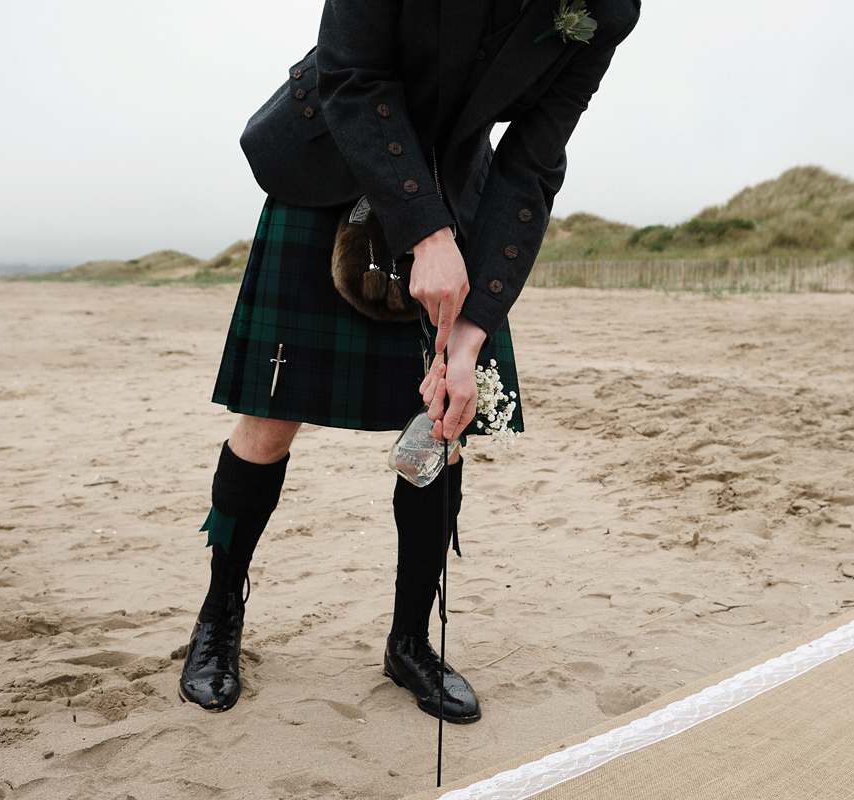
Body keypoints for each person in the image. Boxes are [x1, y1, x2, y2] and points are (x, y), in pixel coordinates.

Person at [178, 0, 640, 722]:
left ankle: (410, 643)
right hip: (329, 155)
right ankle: (218, 620)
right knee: (268, 423)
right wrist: (425, 234)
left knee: (440, 431)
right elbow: (355, 75)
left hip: (454, 187)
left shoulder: (606, 8)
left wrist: (474, 328)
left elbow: (532, 160)